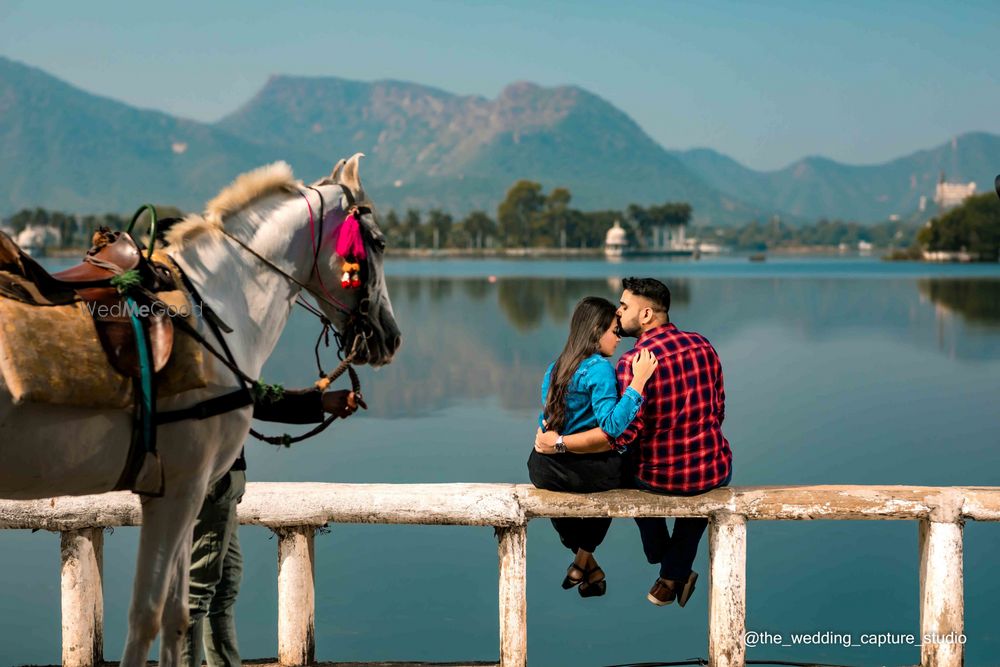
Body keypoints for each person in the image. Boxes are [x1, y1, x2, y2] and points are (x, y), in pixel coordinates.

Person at [536, 277, 731, 608]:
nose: (619, 311)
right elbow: (718, 409)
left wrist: (562, 444)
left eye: (624, 306)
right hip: (713, 468)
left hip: (658, 478)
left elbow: (619, 437)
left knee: (627, 468)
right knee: (701, 485)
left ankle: (665, 563)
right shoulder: (704, 345)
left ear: (646, 315)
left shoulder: (632, 363)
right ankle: (672, 575)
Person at [182, 387, 360, 667]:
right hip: (210, 477)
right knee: (196, 593)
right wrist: (320, 402)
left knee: (223, 586)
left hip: (221, 478)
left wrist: (320, 402)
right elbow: (246, 394)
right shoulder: (207, 354)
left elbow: (246, 393)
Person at [529, 296, 657, 598]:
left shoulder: (555, 366)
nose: (618, 338)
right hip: (585, 470)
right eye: (615, 331)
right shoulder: (599, 368)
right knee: (620, 471)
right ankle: (583, 558)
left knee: (559, 497)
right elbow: (612, 426)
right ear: (597, 330)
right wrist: (637, 384)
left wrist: (550, 441)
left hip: (545, 469)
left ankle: (589, 567)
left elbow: (547, 419)